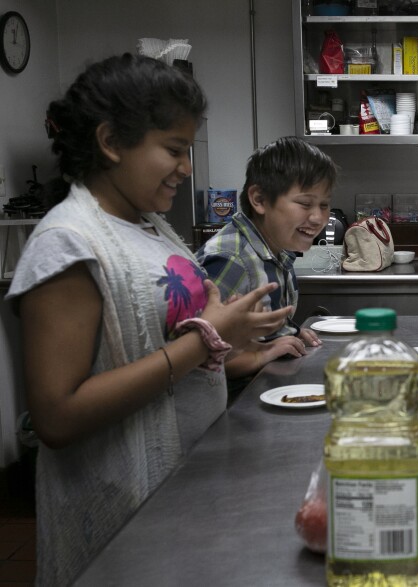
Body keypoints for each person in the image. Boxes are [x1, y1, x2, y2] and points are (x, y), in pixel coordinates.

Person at [5, 54, 293, 586]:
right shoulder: (68, 243)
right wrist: (207, 338)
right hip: (118, 511)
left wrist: (233, 335)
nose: (186, 167)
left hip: (179, 491)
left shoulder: (148, 225)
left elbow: (167, 335)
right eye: (174, 149)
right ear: (112, 141)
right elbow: (57, 415)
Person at [196, 136, 338, 392]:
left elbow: (254, 333)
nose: (318, 218)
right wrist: (263, 353)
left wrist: (286, 334)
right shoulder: (232, 260)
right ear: (259, 200)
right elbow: (199, 361)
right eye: (305, 204)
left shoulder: (276, 250)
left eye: (324, 205)